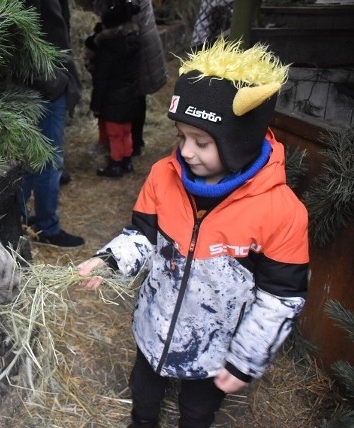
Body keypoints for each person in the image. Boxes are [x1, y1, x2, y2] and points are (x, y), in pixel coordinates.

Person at [77, 39, 309, 428]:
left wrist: (245, 360)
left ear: (239, 142)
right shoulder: (162, 177)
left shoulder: (281, 212)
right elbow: (143, 236)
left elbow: (280, 297)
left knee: (198, 412)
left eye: (202, 142)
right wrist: (109, 261)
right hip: (155, 325)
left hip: (214, 345)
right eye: (181, 137)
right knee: (143, 394)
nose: (185, 151)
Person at [19, 0, 84, 248]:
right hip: (45, 85)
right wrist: (59, 80)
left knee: (28, 158)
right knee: (47, 160)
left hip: (35, 83)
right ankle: (47, 226)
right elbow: (51, 37)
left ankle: (20, 219)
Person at [94, 0, 168, 157]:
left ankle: (130, 144)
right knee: (135, 94)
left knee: (133, 93)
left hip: (133, 40)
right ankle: (131, 143)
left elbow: (124, 13)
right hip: (137, 37)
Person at [87, 0, 142, 178]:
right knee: (126, 132)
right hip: (130, 97)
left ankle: (116, 164)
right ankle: (127, 161)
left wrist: (96, 105)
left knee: (115, 134)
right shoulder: (133, 41)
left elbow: (101, 79)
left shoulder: (108, 48)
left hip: (113, 101)